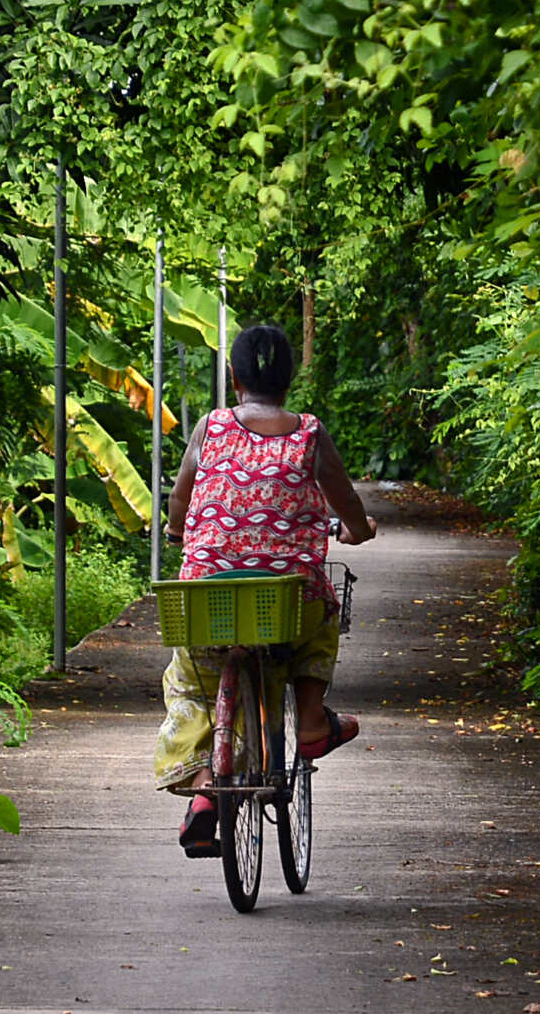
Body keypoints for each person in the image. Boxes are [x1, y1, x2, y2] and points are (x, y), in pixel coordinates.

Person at [154, 323, 376, 855]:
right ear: (289, 380)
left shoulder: (209, 427)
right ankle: (312, 721)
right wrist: (359, 530)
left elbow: (181, 497)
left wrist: (177, 531)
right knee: (320, 624)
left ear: (233, 378)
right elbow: (344, 501)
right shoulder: (309, 432)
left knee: (189, 683)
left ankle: (206, 790)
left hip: (208, 596)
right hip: (284, 598)